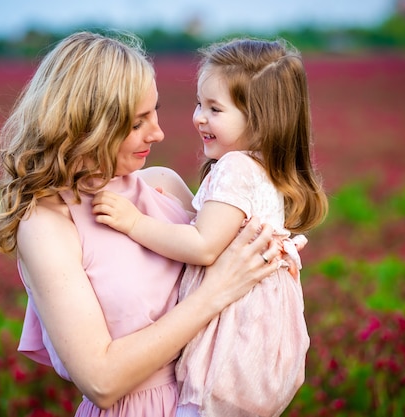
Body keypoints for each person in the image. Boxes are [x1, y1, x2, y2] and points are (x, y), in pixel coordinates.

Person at [0, 31, 290, 417]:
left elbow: (239, 280)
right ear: (86, 124)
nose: (158, 133)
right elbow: (101, 380)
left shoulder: (163, 186)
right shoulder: (46, 224)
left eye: (155, 112)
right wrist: (215, 292)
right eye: (136, 123)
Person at [92, 37, 328, 417]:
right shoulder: (262, 170)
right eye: (200, 104)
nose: (199, 117)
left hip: (230, 349)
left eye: (215, 108)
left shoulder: (235, 168)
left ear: (261, 119)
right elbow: (211, 229)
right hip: (258, 348)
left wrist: (134, 222)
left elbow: (203, 245)